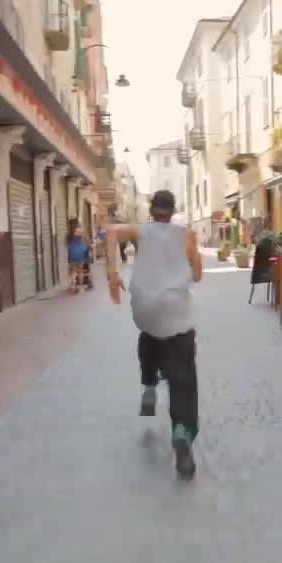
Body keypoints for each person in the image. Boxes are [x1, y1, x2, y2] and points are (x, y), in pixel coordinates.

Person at [105, 191, 203, 479]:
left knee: (149, 335)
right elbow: (197, 276)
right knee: (183, 374)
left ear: (151, 209)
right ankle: (182, 430)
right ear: (172, 211)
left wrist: (112, 274)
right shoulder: (186, 235)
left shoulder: (139, 231)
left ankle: (149, 385)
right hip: (176, 311)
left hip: (145, 309)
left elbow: (110, 232)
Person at [67, 223, 90, 293]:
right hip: (80, 251)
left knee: (73, 270)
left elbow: (66, 243)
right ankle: (80, 287)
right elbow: (87, 241)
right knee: (80, 270)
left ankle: (72, 286)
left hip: (72, 251)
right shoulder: (82, 231)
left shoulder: (69, 233)